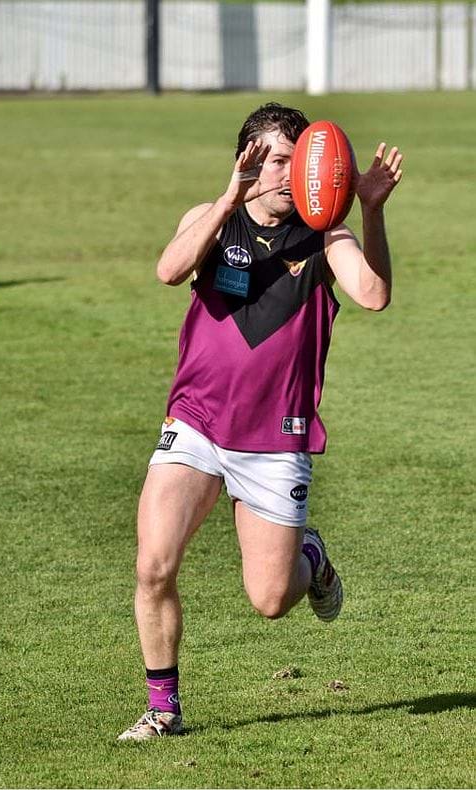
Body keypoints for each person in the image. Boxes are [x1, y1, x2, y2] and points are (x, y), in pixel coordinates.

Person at [119, 103, 404, 741]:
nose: (288, 173)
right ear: (249, 159)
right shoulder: (212, 220)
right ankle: (163, 709)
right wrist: (227, 199)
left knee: (272, 600)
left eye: (297, 161)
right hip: (195, 424)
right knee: (153, 566)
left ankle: (312, 556)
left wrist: (372, 212)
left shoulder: (326, 235)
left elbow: (375, 294)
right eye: (277, 160)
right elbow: (169, 270)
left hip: (276, 439)